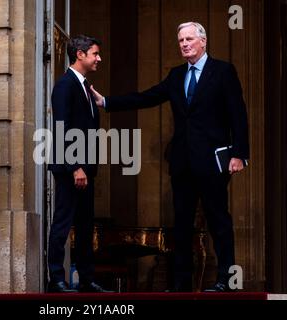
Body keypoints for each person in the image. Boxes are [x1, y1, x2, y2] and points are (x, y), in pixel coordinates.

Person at [90, 22, 249, 292]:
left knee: (219, 220)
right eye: (180, 40)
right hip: (182, 163)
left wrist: (240, 154)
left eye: (189, 39)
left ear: (203, 41)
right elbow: (148, 97)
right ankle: (181, 284)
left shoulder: (223, 71)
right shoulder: (176, 75)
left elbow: (238, 115)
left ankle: (226, 281)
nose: (184, 44)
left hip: (212, 162)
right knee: (182, 225)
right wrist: (107, 102)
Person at [47, 35, 111, 293]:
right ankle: (56, 279)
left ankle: (86, 278)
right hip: (70, 169)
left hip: (85, 169)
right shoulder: (65, 86)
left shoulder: (85, 87)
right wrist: (75, 167)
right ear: (80, 55)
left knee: (85, 226)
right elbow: (62, 129)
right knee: (63, 224)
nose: (99, 58)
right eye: (95, 53)